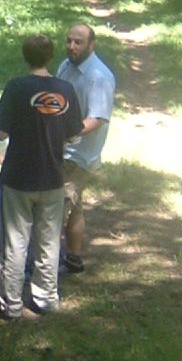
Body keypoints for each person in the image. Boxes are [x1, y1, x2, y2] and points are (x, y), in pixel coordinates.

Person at [0, 34, 83, 320]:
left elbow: (1, 132)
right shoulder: (65, 88)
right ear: (50, 57)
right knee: (49, 242)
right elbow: (74, 133)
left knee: (15, 242)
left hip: (18, 176)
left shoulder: (16, 87)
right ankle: (46, 298)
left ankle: (9, 303)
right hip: (52, 175)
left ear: (25, 57)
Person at [55, 23, 116, 273]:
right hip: (62, 150)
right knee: (75, 205)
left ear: (92, 45)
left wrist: (67, 133)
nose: (71, 46)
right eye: (69, 40)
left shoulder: (98, 76)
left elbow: (97, 118)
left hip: (78, 156)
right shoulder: (65, 66)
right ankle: (74, 258)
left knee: (55, 209)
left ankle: (44, 265)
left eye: (78, 42)